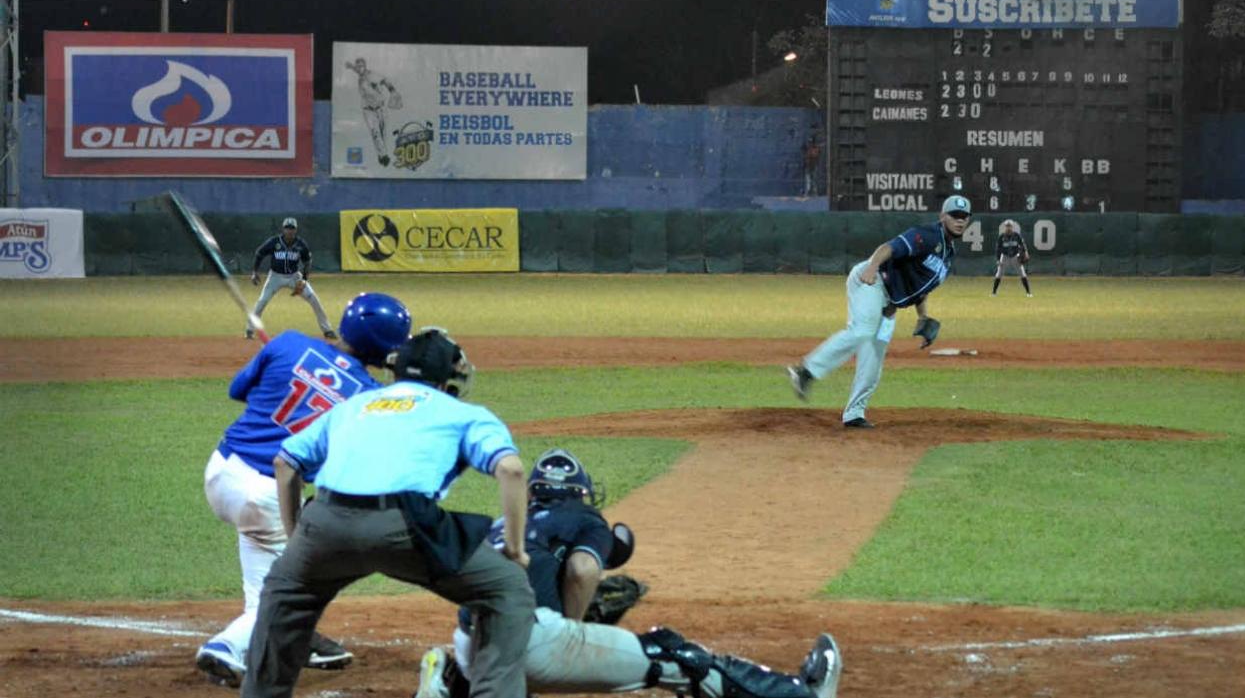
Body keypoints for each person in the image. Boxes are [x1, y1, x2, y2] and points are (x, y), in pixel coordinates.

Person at [241, 328, 536, 698]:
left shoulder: (353, 405)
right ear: (449, 377)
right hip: (405, 526)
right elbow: (510, 470)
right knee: (506, 590)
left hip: (325, 521)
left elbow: (286, 463)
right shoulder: (464, 414)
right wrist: (515, 548)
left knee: (283, 598)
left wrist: (296, 537)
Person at [414, 449, 842, 698]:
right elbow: (583, 569)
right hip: (534, 643)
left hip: (471, 643)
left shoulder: (503, 524)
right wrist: (571, 630)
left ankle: (451, 683)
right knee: (675, 656)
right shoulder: (584, 518)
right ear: (582, 492)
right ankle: (800, 694)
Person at [195, 293, 414, 687]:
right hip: (268, 494)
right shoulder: (368, 398)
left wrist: (292, 378)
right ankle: (226, 646)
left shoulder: (288, 342)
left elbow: (238, 391)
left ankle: (281, 640)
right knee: (293, 587)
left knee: (268, 575)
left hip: (221, 471)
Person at [786, 195, 971, 429]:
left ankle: (854, 414)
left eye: (964, 217)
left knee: (873, 359)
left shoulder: (948, 254)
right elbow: (888, 248)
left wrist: (922, 316)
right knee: (862, 331)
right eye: (954, 215)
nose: (959, 221)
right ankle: (805, 371)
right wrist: (872, 267)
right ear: (942, 217)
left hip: (888, 306)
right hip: (872, 283)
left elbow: (920, 288)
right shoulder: (926, 234)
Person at [248, 217, 337, 340]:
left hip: (294, 276)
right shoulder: (274, 242)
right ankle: (250, 330)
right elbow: (259, 253)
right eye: (287, 228)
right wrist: (255, 272)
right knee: (262, 301)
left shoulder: (301, 244)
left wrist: (304, 280)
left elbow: (307, 261)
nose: (289, 231)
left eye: (292, 228)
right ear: (283, 229)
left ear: (296, 230)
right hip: (275, 276)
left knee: (314, 299)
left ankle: (327, 330)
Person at [346, 57, 403, 167]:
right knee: (375, 133)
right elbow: (356, 70)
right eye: (357, 66)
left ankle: (381, 154)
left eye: (361, 66)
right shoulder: (360, 75)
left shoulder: (372, 75)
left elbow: (385, 81)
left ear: (365, 66)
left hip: (381, 108)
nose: (359, 68)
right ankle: (384, 156)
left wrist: (393, 91)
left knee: (383, 134)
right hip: (368, 110)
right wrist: (350, 66)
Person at [992, 219, 1032, 297]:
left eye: (1010, 226)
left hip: (1015, 256)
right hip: (1004, 256)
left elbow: (1022, 244)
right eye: (1007, 226)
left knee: (1022, 274)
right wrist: (998, 259)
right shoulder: (1001, 237)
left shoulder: (1017, 235)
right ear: (1005, 227)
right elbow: (998, 249)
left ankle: (1028, 293)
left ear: (1012, 227)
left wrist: (1026, 252)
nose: (1008, 228)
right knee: (999, 274)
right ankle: (994, 293)